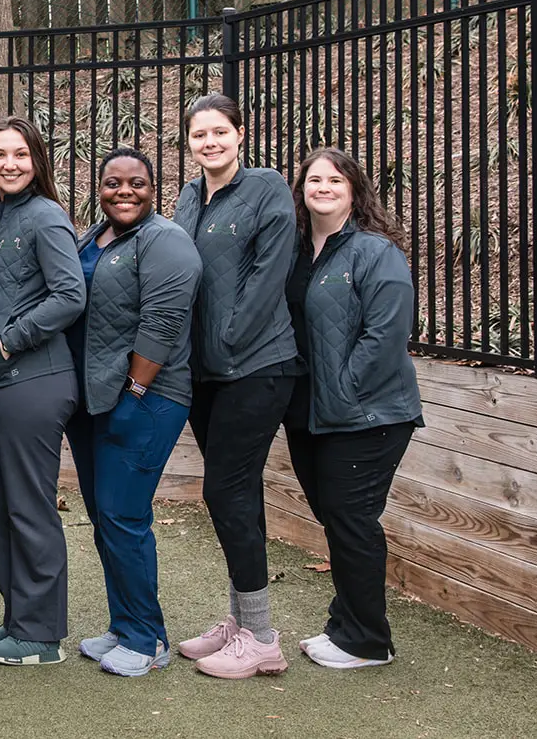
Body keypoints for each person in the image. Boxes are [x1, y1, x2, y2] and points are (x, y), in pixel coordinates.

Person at [171, 95, 301, 679]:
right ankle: (241, 621)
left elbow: (266, 278)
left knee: (226, 491)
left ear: (240, 134)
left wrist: (222, 345)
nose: (210, 143)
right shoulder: (187, 197)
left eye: (220, 132)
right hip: (205, 375)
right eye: (200, 135)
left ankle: (263, 638)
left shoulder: (267, 188)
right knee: (235, 494)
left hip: (258, 368)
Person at [67, 146, 202, 677]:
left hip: (147, 397)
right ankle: (124, 624)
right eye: (112, 182)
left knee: (124, 516)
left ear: (155, 187)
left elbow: (163, 322)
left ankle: (148, 639)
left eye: (136, 183)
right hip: (96, 399)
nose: (124, 191)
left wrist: (134, 393)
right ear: (99, 187)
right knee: (106, 518)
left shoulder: (165, 241)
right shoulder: (94, 237)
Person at [286, 147, 422, 670]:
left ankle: (368, 641)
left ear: (353, 190)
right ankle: (344, 625)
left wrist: (341, 392)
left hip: (370, 415)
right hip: (310, 413)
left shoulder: (375, 251)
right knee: (336, 518)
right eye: (313, 179)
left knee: (352, 519)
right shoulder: (300, 251)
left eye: (334, 180)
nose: (322, 187)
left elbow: (386, 334)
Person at [0, 117, 86, 667]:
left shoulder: (46, 215)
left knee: (29, 507)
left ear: (37, 160)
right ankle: (19, 614)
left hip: (33, 380)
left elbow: (69, 294)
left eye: (19, 154)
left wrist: (12, 341)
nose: (8, 163)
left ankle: (39, 635)